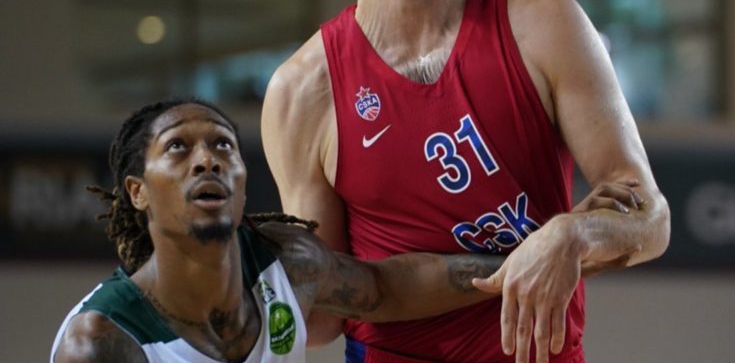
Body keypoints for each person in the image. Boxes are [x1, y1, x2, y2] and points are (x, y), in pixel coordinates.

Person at [261, 0, 671, 363]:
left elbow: (651, 222)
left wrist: (574, 234)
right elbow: (322, 317)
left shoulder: (545, 22)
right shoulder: (301, 89)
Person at [51, 99, 509, 363]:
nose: (207, 160)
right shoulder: (101, 343)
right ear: (138, 192)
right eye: (178, 147)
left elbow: (388, 288)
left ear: (243, 182)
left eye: (223, 145)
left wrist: (515, 270)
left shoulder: (288, 264)